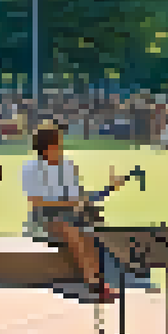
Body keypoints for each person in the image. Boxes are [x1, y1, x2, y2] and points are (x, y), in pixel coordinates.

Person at [22, 123, 127, 302]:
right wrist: (70, 203)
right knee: (70, 228)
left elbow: (79, 196)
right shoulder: (31, 169)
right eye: (59, 144)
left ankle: (101, 282)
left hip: (70, 213)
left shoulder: (68, 166)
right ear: (47, 149)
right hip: (44, 217)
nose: (62, 148)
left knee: (88, 230)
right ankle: (95, 284)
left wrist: (109, 189)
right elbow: (36, 201)